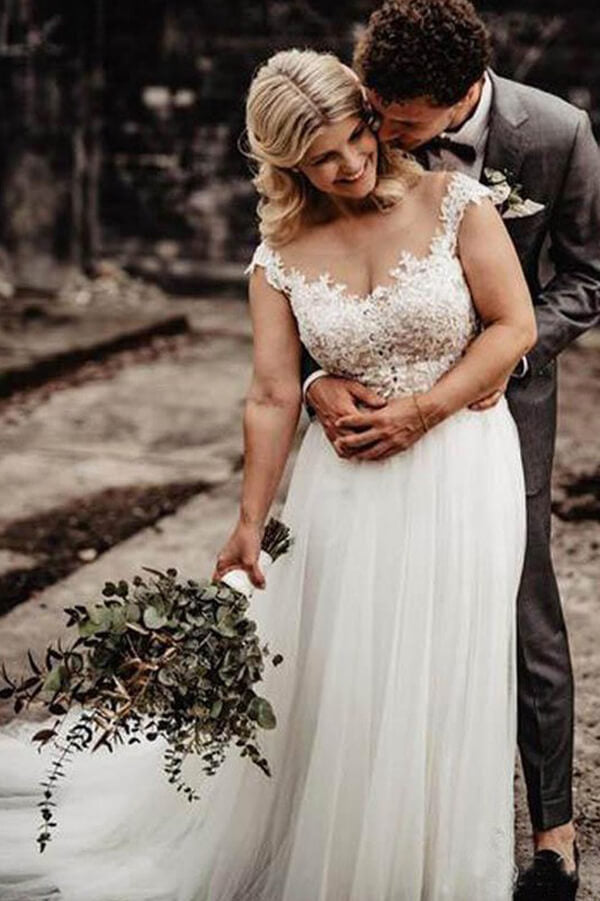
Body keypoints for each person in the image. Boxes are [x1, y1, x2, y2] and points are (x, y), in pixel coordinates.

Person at [0, 47, 533, 901]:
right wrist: (248, 522)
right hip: (345, 486)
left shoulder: (456, 202)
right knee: (346, 675)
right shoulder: (278, 255)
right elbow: (273, 391)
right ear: (288, 165)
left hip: (462, 468)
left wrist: (422, 410)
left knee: (447, 667)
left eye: (356, 137)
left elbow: (513, 327)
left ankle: (435, 870)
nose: (351, 163)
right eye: (323, 157)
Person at [300, 3, 600, 897]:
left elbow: (589, 275)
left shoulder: (557, 134)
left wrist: (506, 355)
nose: (380, 137)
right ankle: (387, 820)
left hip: (499, 405)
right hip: (370, 409)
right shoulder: (353, 121)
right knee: (367, 609)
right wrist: (316, 380)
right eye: (374, 110)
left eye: (401, 123)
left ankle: (554, 836)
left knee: (523, 604)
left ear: (465, 94)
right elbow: (297, 261)